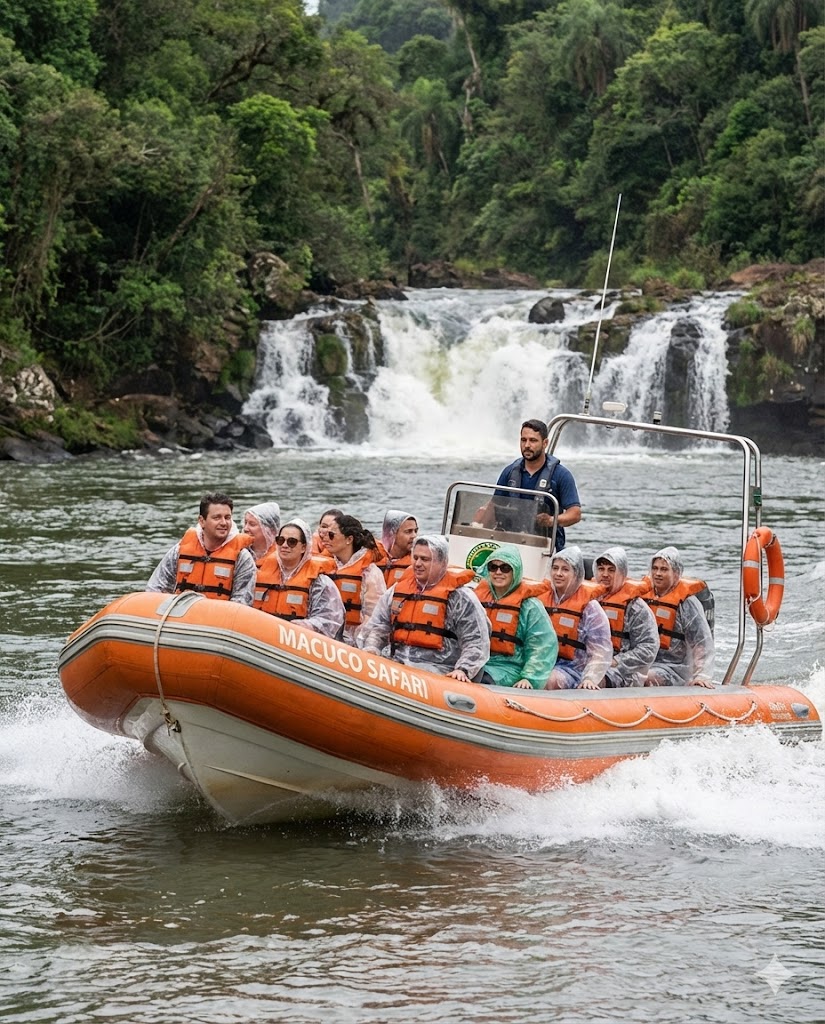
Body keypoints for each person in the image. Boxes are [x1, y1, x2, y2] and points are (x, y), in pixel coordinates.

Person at [360, 535, 490, 682]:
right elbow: (379, 625)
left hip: (438, 671)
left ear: (442, 562)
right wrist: (372, 647)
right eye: (415, 558)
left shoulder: (461, 598)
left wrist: (463, 669)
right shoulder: (396, 591)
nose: (418, 563)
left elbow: (475, 641)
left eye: (425, 559)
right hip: (396, 664)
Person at [477, 418, 581, 550]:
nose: (527, 445)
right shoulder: (509, 472)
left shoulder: (561, 475)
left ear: (545, 443)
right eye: (523, 440)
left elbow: (575, 514)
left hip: (547, 546)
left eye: (533, 440)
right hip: (511, 543)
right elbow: (494, 506)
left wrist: (551, 520)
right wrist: (478, 533)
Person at [146, 491, 255, 604]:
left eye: (227, 518)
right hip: (180, 616)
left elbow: (242, 602)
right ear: (202, 521)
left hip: (219, 618)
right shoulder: (178, 551)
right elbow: (155, 588)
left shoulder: (242, 558)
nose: (224, 523)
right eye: (217, 518)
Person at [474, 545, 558, 689]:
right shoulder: (476, 599)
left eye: (505, 568)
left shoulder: (530, 606)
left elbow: (542, 645)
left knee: (483, 680)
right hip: (477, 661)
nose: (498, 572)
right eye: (493, 567)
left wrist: (529, 678)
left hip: (509, 667)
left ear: (515, 571)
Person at [253, 518, 344, 638]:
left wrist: (306, 625)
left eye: (292, 542)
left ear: (303, 547)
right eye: (280, 540)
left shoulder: (320, 582)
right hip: (261, 636)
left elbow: (329, 620)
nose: (284, 545)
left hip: (298, 642)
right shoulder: (258, 575)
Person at [641, 547, 715, 688]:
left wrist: (702, 675)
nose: (657, 573)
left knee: (646, 678)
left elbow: (701, 642)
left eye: (664, 569)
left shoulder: (687, 604)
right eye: (655, 568)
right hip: (645, 662)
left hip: (675, 668)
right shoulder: (642, 599)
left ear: (676, 573)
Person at [542, 546, 612, 690]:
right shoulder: (540, 600)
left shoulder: (591, 608)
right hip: (542, 663)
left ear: (576, 573)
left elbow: (600, 650)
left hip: (573, 670)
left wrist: (590, 678)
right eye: (555, 568)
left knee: (549, 680)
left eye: (565, 569)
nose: (558, 574)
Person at [593, 546, 659, 688]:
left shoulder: (636, 607)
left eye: (611, 570)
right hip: (591, 662)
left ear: (622, 573)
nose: (605, 574)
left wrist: (616, 661)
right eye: (601, 569)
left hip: (624, 672)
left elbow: (649, 647)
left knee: (595, 679)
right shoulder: (588, 601)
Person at [325, 513, 387, 644]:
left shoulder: (370, 573)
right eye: (325, 534)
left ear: (349, 539)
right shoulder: (326, 567)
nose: (326, 539)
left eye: (331, 535)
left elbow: (375, 617)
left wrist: (358, 642)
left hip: (355, 642)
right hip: (327, 636)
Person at [381, 509, 419, 586]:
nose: (414, 536)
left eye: (415, 531)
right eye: (408, 531)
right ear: (392, 533)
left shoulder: (419, 564)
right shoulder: (373, 558)